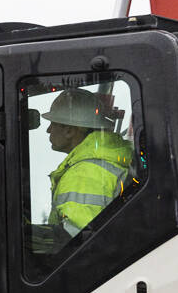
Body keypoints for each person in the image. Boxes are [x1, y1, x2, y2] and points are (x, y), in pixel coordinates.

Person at [44, 88, 132, 239]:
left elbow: (77, 245)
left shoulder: (83, 175)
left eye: (53, 123)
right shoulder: (103, 161)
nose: (48, 130)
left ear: (69, 130)